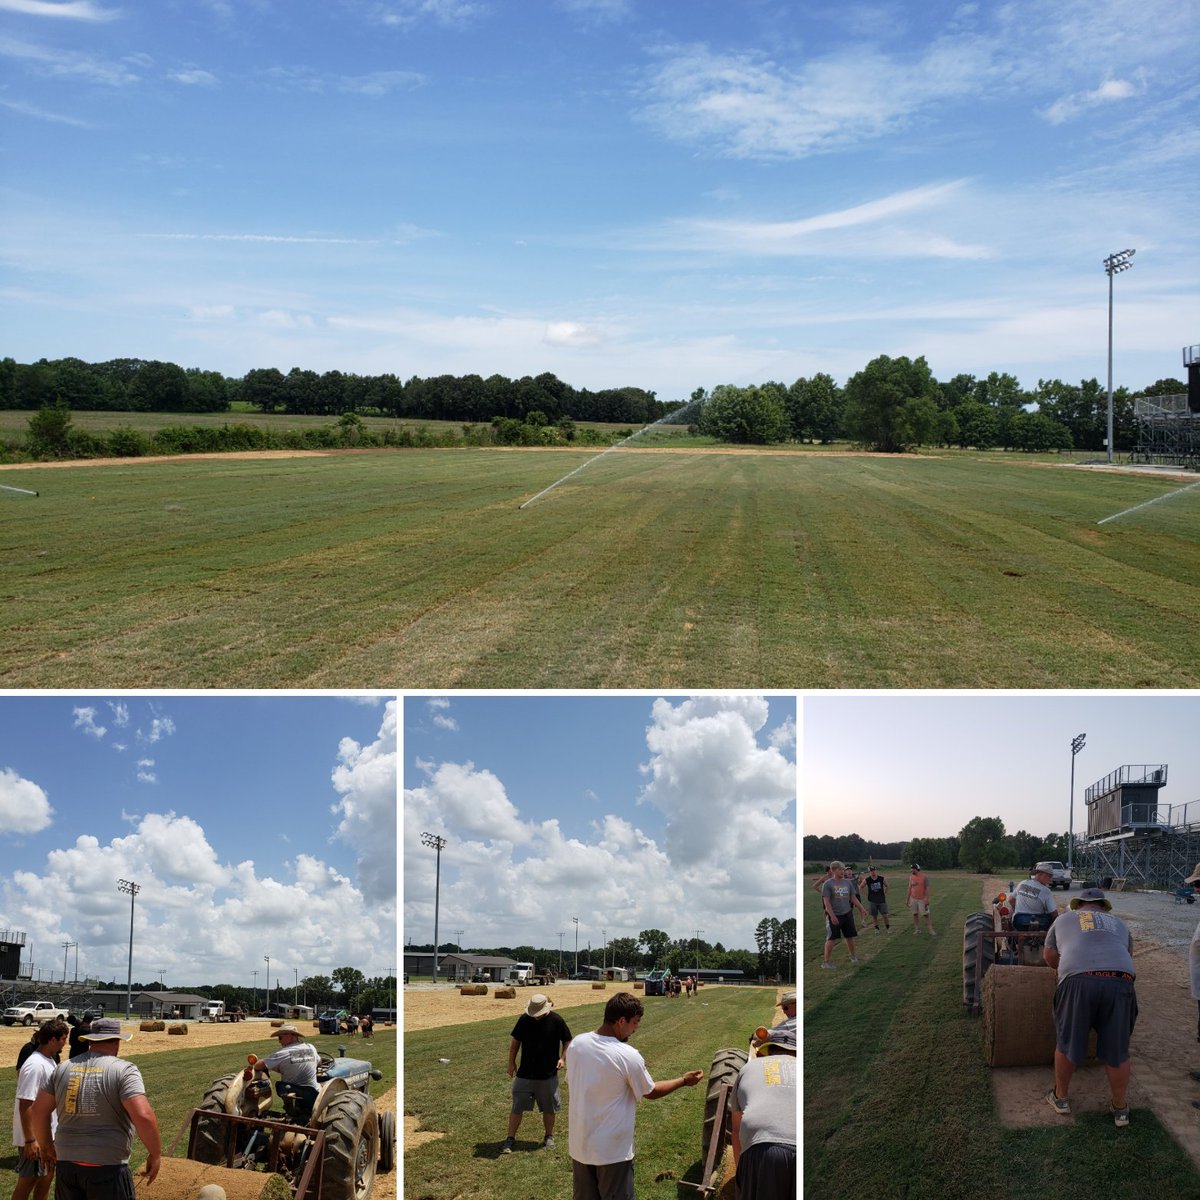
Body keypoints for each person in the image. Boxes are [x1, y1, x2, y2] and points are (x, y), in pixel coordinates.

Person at [565, 991, 703, 1200]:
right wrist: (684, 1081)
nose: (636, 1028)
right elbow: (651, 1092)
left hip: (580, 1147)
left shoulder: (577, 1044)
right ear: (621, 1021)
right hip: (612, 1153)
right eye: (635, 1022)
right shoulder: (627, 1055)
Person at [29, 1017, 162, 1199]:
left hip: (67, 1166)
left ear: (91, 1040)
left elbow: (37, 1111)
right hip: (108, 1168)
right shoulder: (125, 1070)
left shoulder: (62, 1069)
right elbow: (143, 1115)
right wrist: (155, 1154)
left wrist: (46, 1148)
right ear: (117, 1041)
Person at [1042, 887, 1137, 1127]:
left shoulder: (1064, 919)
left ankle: (1061, 1098)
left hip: (1078, 983)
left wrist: (1065, 971)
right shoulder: (1120, 925)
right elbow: (1127, 955)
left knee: (1067, 1042)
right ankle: (1120, 1109)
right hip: (1121, 981)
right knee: (1118, 1050)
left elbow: (1049, 956)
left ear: (1078, 905)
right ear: (1104, 907)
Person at [730, 1022, 796, 1200]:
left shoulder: (748, 1068)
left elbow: (736, 1130)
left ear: (767, 1051)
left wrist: (742, 1176)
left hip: (763, 1150)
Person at [502, 993, 572, 1154]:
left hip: (548, 1074)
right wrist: (511, 1062)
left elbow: (567, 1040)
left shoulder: (557, 1020)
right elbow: (515, 1042)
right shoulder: (524, 1019)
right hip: (525, 1073)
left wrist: (562, 1058)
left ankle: (549, 1136)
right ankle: (510, 1138)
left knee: (549, 1108)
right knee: (517, 1106)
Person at [12, 1019, 69, 1200]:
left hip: (46, 1135)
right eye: (63, 1039)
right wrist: (30, 1140)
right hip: (35, 1138)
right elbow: (25, 1103)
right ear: (53, 1039)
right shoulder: (35, 1065)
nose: (65, 1043)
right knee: (28, 1181)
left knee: (46, 1178)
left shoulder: (49, 1061)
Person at [245, 1024, 320, 1121]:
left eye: (280, 1037)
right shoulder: (311, 1048)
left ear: (291, 1035)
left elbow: (258, 1065)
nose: (279, 1041)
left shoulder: (282, 1053)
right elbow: (320, 1061)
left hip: (291, 1091)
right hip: (312, 1095)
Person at [821, 861, 869, 968]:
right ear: (833, 870)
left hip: (847, 914)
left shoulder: (847, 883)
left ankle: (853, 956)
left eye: (843, 869)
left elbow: (853, 897)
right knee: (831, 938)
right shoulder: (828, 884)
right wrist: (832, 916)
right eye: (840, 869)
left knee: (850, 937)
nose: (842, 871)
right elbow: (826, 901)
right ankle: (826, 962)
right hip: (834, 915)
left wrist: (862, 908)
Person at [906, 864, 936, 936]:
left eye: (914, 868)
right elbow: (909, 888)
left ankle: (931, 930)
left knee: (926, 915)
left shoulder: (924, 877)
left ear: (917, 869)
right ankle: (917, 929)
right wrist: (907, 900)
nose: (912, 870)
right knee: (915, 914)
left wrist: (927, 899)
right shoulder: (911, 877)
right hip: (913, 899)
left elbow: (927, 888)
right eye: (911, 868)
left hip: (922, 899)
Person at [862, 866, 890, 933]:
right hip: (872, 900)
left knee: (885, 915)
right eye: (871, 871)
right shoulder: (867, 880)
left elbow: (887, 886)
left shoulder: (881, 878)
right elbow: (861, 887)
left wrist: (885, 894)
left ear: (876, 870)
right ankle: (876, 929)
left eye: (874, 870)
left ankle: (888, 928)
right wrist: (866, 895)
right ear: (869, 872)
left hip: (881, 900)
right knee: (874, 916)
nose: (873, 872)